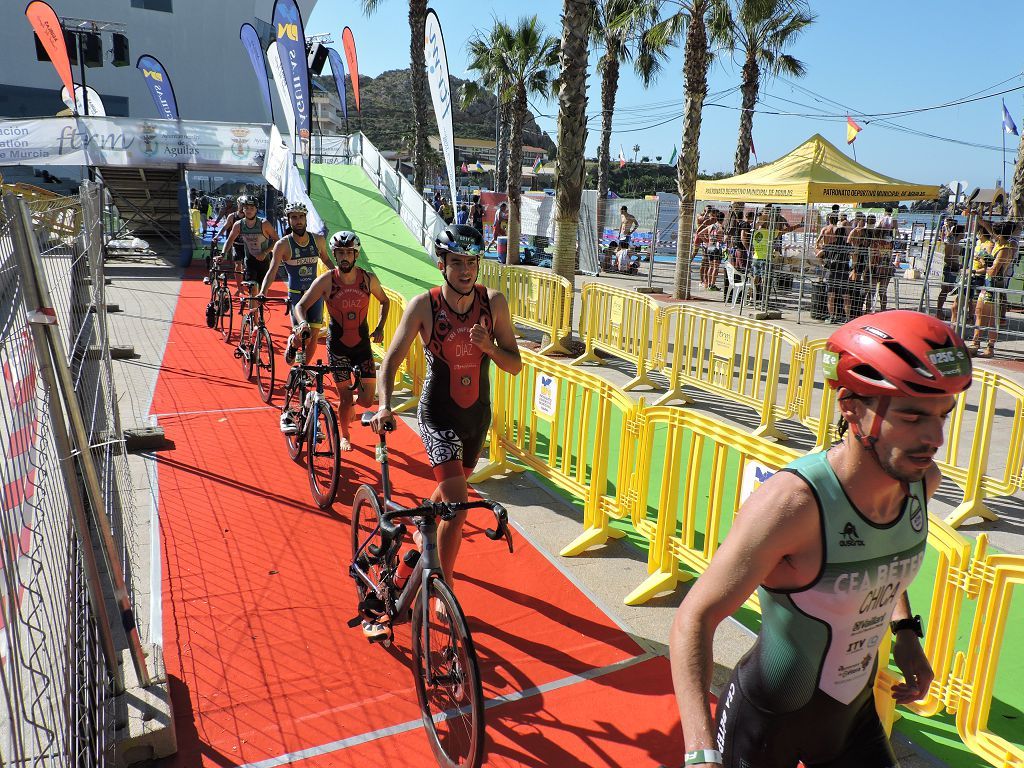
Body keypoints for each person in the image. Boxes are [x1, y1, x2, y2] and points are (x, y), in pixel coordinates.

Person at [669, 310, 972, 768]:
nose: (935, 438)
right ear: (851, 407)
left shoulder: (920, 480)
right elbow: (695, 618)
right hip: (767, 722)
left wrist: (907, 634)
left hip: (852, 715)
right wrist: (700, 750)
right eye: (912, 417)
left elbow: (883, 558)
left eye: (942, 417)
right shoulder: (792, 504)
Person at [370, 224, 521, 593]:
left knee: (451, 492)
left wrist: (489, 348)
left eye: (472, 262)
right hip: (436, 414)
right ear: (441, 264)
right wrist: (385, 405)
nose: (466, 270)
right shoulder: (425, 305)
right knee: (458, 503)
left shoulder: (494, 302)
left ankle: (421, 531)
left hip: (476, 417)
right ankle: (444, 583)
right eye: (457, 263)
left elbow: (514, 364)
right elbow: (392, 358)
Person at [288, 230, 390, 450]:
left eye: (349, 253)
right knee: (345, 398)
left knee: (365, 400)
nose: (344, 257)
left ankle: (347, 412)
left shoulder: (368, 279)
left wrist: (380, 327)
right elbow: (300, 306)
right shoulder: (326, 280)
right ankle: (345, 436)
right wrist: (302, 323)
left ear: (356, 255)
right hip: (338, 347)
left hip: (362, 347)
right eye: (340, 253)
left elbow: (385, 300)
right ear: (334, 254)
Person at [258, 203, 334, 367]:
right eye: (294, 217)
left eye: (301, 217)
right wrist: (263, 291)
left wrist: (339, 276)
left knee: (313, 334)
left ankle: (304, 369)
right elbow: (272, 271)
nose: (298, 221)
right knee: (302, 334)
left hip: (314, 294)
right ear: (289, 220)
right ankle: (293, 344)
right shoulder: (283, 245)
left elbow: (326, 260)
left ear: (306, 219)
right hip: (296, 295)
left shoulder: (318, 240)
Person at [221, 195, 279, 296]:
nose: (249, 211)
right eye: (246, 208)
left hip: (264, 261)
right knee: (252, 288)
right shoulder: (238, 224)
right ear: (242, 209)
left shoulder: (264, 223)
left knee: (261, 292)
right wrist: (222, 254)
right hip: (249, 261)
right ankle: (252, 311)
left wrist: (265, 252)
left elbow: (277, 240)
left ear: (256, 210)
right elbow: (230, 240)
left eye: (252, 208)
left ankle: (257, 308)